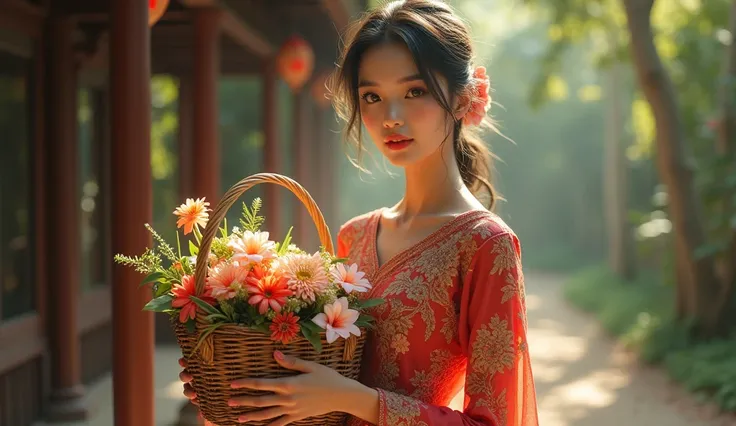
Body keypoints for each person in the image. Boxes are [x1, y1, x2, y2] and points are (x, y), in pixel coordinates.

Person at [179, 0, 539, 424]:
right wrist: (242, 382)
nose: (390, 117)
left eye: (414, 91)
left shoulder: (485, 246)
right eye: (372, 96)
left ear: (462, 99)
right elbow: (318, 387)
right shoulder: (354, 235)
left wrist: (356, 399)